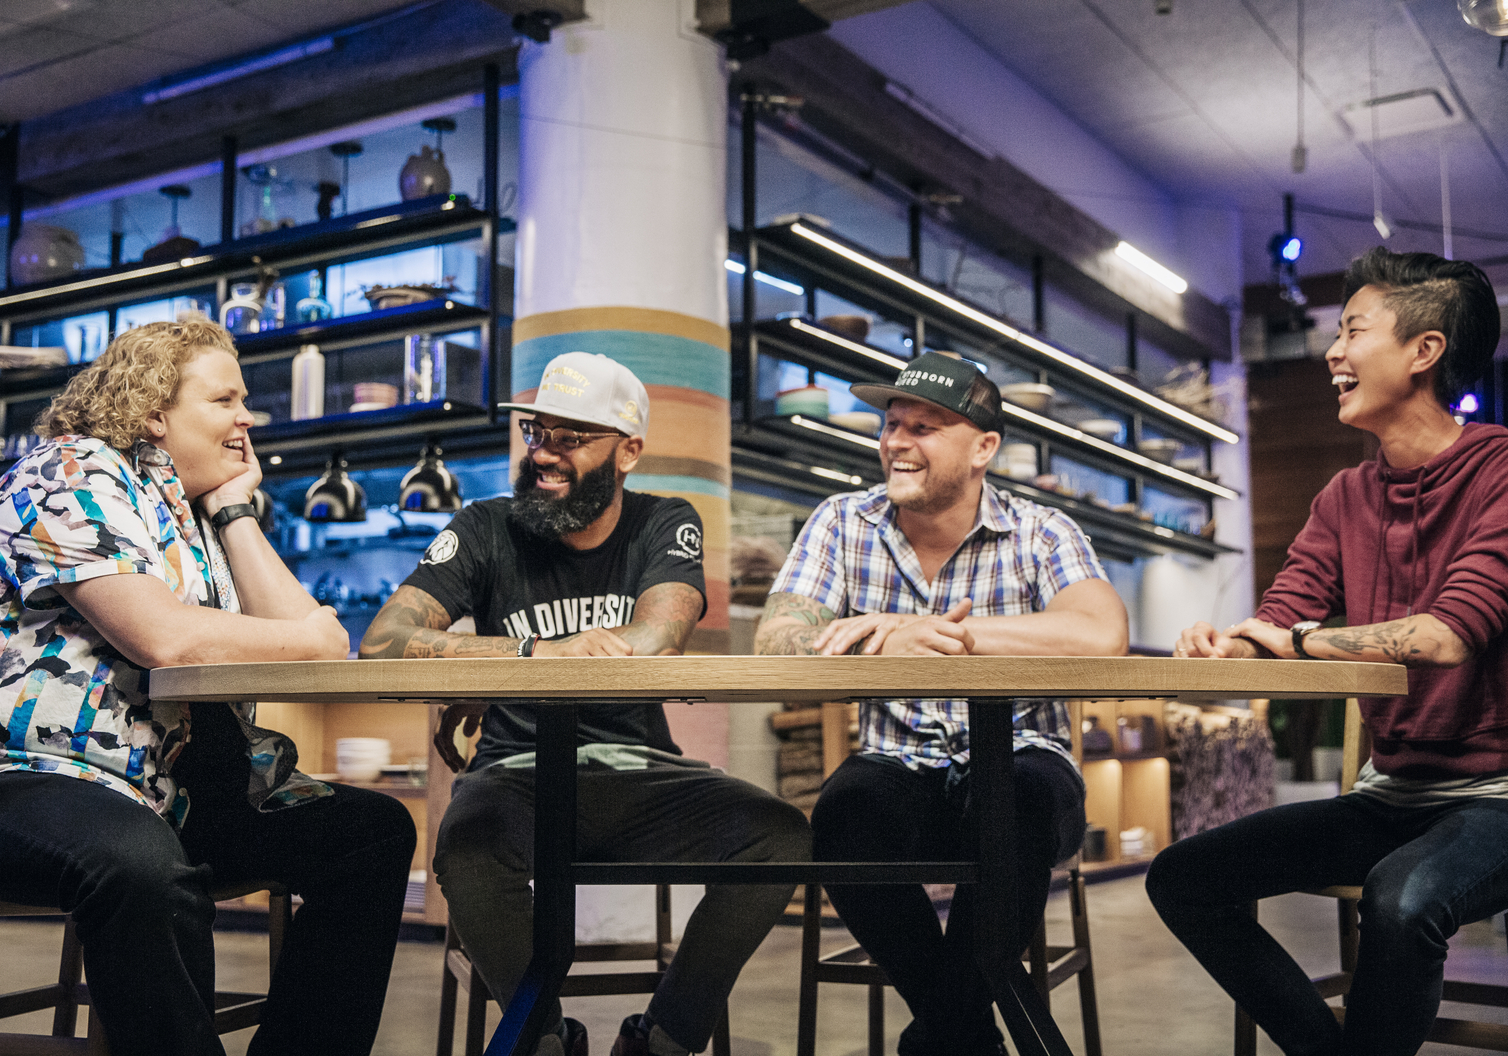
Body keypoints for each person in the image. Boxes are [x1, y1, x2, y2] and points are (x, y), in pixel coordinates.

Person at [0, 319, 417, 1056]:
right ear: (155, 412)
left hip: (149, 790)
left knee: (370, 834)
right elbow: (164, 636)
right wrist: (315, 636)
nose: (248, 417)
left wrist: (236, 511)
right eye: (225, 400)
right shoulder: (70, 472)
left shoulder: (189, 513)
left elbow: (312, 646)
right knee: (140, 864)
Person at [361, 351, 812, 1056]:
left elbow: (658, 636)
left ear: (628, 450)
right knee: (466, 848)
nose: (543, 454)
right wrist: (526, 658)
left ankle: (664, 1036)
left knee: (780, 834)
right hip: (518, 772)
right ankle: (545, 1039)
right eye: (537, 433)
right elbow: (385, 640)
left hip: (641, 772)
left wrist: (477, 661)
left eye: (571, 439)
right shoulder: (486, 527)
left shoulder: (663, 521)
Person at [1149, 247, 1506, 1056]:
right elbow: (1279, 621)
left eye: (1352, 331)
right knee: (1183, 877)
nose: (1333, 354)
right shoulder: (1344, 496)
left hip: (1499, 799)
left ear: (1425, 351)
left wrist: (1296, 639)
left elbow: (1447, 635)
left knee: (1401, 901)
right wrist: (1231, 644)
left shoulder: (1502, 472)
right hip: (1393, 797)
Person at [754, 351, 1128, 1056]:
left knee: (1014, 803)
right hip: (898, 762)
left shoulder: (1041, 532)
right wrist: (880, 649)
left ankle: (944, 1035)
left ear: (984, 447)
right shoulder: (843, 521)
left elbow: (1103, 633)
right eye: (892, 424)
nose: (897, 442)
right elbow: (778, 638)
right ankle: (962, 1036)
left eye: (924, 427)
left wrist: (927, 633)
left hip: (1024, 759)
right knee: (844, 818)